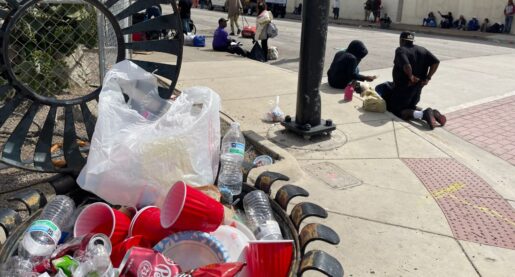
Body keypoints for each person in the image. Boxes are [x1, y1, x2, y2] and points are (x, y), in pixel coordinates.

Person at [386, 31, 445, 130]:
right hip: (417, 88)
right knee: (410, 105)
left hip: (404, 87)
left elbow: (407, 65)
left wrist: (411, 77)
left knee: (397, 110)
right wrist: (428, 78)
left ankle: (424, 114)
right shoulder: (422, 50)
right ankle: (432, 113)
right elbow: (436, 62)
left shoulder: (401, 50)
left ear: (402, 40)